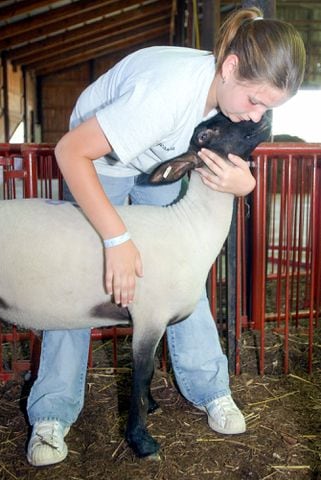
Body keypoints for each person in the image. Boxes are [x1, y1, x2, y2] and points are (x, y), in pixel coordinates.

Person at [26, 7, 306, 467]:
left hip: (155, 166)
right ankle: (52, 412)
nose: (257, 117)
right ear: (231, 67)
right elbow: (70, 150)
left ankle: (212, 389)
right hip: (101, 163)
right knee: (80, 283)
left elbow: (239, 162)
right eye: (256, 101)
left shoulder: (243, 98)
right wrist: (117, 241)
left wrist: (247, 185)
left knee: (182, 273)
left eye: (268, 107)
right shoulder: (166, 93)